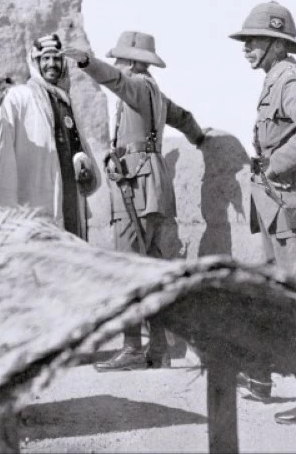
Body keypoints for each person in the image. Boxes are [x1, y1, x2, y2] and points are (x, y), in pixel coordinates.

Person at [62, 31, 212, 371]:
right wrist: (200, 138)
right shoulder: (155, 93)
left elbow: (114, 80)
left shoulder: (136, 87)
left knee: (127, 267)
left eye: (120, 59)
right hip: (153, 184)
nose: (117, 63)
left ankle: (132, 348)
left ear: (131, 61)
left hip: (136, 184)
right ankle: (158, 349)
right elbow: (184, 118)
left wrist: (86, 62)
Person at [229, 1, 296, 424]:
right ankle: (261, 376)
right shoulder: (274, 79)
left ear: (277, 43)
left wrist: (275, 165)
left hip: (292, 201)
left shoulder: (290, 78)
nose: (247, 48)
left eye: (254, 40)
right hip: (276, 202)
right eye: (245, 41)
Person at [0, 33, 99, 239]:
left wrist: (85, 168)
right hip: (37, 197)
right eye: (45, 58)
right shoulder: (20, 96)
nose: (52, 64)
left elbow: (77, 146)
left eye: (57, 58)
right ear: (35, 62)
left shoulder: (67, 102)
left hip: (70, 196)